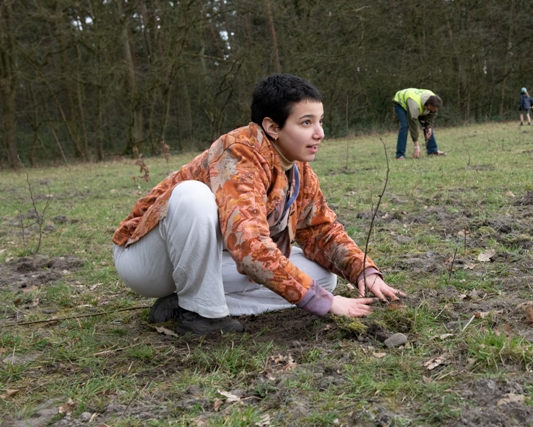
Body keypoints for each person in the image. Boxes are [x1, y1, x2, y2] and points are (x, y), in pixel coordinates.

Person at [112, 74, 405, 335]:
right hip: (147, 260)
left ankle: (183, 304)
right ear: (272, 126)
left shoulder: (298, 171)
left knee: (322, 279)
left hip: (207, 259)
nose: (320, 133)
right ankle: (202, 315)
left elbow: (321, 230)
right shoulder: (237, 155)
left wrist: (363, 271)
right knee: (193, 197)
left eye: (320, 121)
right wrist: (324, 304)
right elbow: (250, 245)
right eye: (306, 122)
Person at [393, 88, 445, 160]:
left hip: (417, 103)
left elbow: (431, 117)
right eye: (432, 108)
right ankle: (400, 155)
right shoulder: (415, 105)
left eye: (435, 109)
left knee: (426, 126)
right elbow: (413, 125)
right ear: (428, 104)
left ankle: (432, 150)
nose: (434, 110)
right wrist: (416, 146)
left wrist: (429, 127)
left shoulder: (434, 101)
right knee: (405, 126)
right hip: (401, 103)